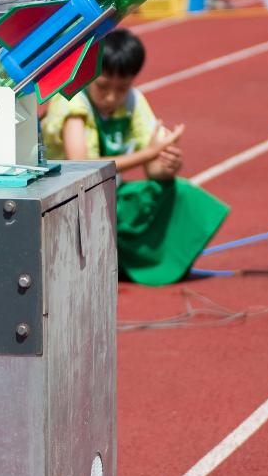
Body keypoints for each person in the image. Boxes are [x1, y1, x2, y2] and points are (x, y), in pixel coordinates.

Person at [41, 29, 228, 285]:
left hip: (107, 193)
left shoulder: (134, 101)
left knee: (178, 191)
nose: (111, 97)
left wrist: (168, 163)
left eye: (122, 88)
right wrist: (149, 153)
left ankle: (149, 265)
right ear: (89, 75)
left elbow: (153, 171)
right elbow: (79, 165)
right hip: (65, 201)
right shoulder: (73, 101)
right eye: (104, 86)